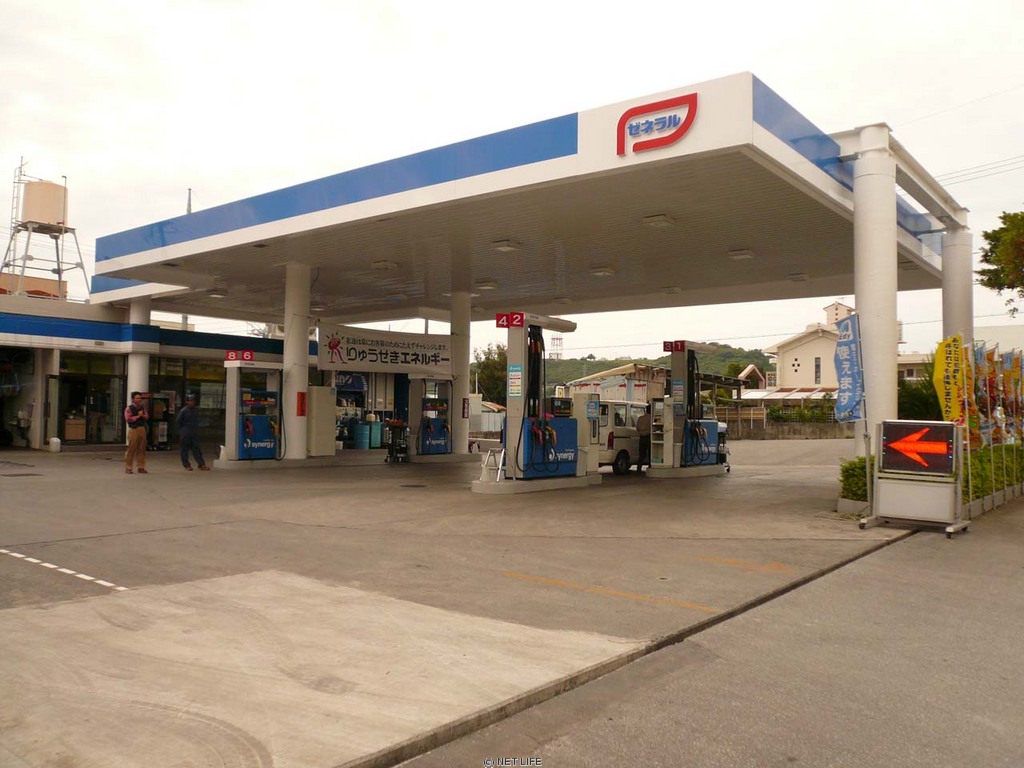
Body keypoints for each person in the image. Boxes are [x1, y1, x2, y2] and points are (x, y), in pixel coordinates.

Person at [176, 393, 210, 471]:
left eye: (193, 400)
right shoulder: (183, 411)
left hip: (194, 431)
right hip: (185, 431)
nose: (192, 402)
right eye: (190, 400)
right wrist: (182, 430)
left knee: (196, 448)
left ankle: (201, 464)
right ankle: (186, 465)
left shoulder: (196, 410)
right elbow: (178, 421)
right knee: (184, 449)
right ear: (187, 401)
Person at [124, 391, 149, 474]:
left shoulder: (142, 408)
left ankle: (141, 467)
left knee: (142, 448)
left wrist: (142, 416)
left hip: (142, 428)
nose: (139, 400)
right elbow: (128, 418)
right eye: (137, 398)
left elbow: (147, 417)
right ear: (133, 399)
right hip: (133, 429)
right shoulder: (129, 408)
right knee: (131, 448)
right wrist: (138, 416)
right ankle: (128, 467)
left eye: (139, 398)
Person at [636, 403, 652, 475]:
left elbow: (637, 428)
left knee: (642, 454)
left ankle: (638, 468)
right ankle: (650, 466)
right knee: (650, 453)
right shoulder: (651, 418)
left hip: (641, 437)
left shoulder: (640, 418)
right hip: (648, 436)